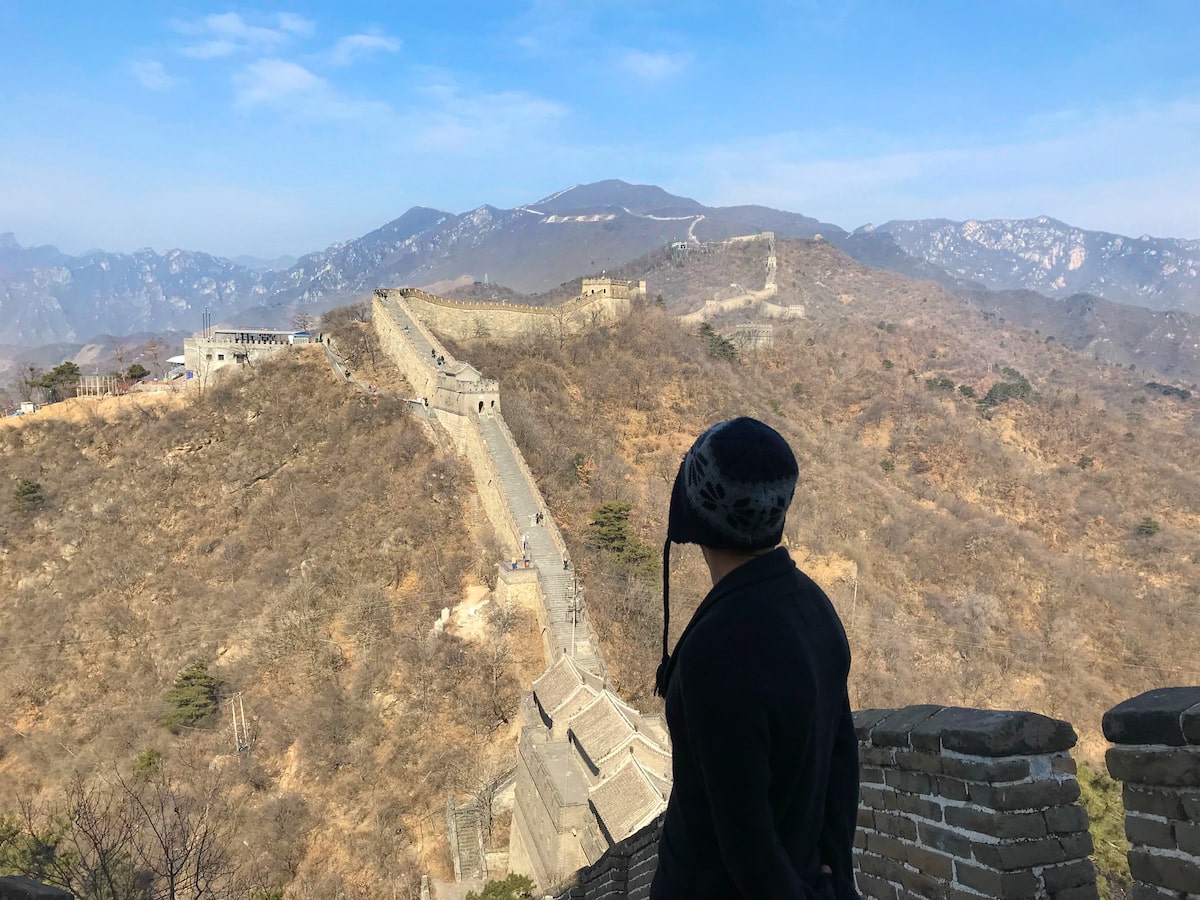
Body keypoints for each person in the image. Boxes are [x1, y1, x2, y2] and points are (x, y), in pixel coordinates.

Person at [650, 417, 859, 900]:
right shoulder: (815, 606)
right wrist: (834, 873)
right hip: (804, 869)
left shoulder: (717, 655)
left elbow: (747, 847)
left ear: (693, 511)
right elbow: (842, 760)